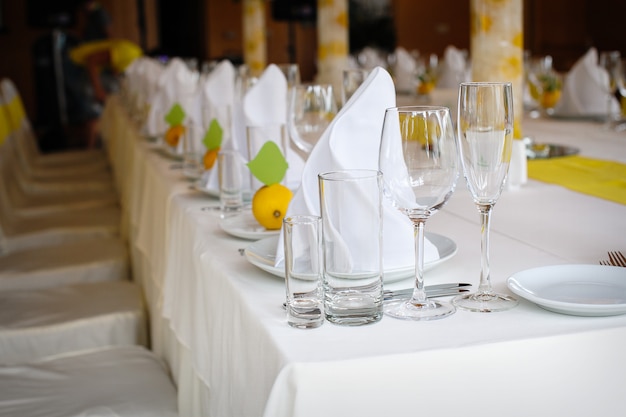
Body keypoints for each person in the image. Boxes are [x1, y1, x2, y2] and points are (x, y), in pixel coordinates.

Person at [68, 39, 142, 148]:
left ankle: (92, 147)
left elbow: (114, 70)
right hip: (76, 64)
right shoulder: (130, 54)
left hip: (84, 68)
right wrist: (98, 89)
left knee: (110, 93)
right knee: (95, 108)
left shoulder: (134, 60)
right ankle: (91, 150)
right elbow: (91, 60)